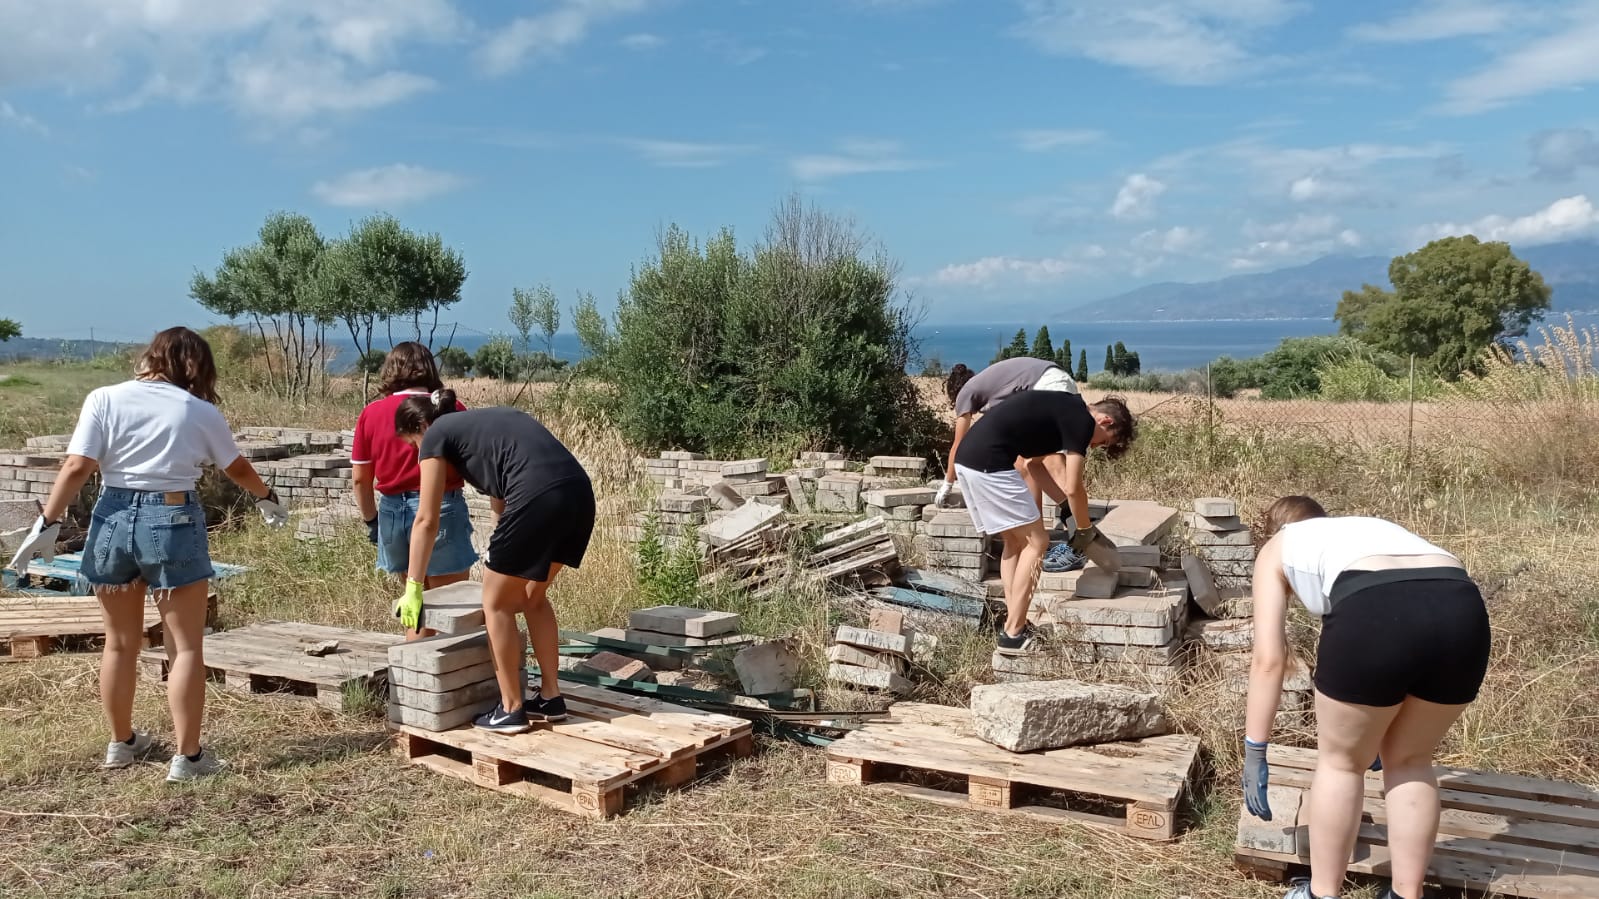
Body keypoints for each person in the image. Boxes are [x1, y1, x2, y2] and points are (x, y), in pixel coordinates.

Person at [6, 327, 289, 781]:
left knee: (118, 642)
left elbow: (79, 465)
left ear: (150, 356)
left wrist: (50, 522)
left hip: (112, 516)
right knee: (186, 647)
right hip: (173, 516)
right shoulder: (198, 409)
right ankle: (188, 757)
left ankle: (121, 743)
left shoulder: (104, 398)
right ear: (196, 365)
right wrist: (265, 496)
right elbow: (234, 466)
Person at [1241, 497, 1491, 899]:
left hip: (1374, 609)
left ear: (1272, 530)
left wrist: (1255, 749)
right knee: (1411, 762)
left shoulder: (1277, 547)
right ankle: (1406, 894)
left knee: (1341, 765)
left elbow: (1268, 661)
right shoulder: (1365, 528)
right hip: (1462, 611)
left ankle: (1322, 893)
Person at [390, 393, 594, 735]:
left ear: (421, 427)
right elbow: (502, 495)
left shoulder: (436, 435)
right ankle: (550, 697)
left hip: (538, 496)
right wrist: (500, 551)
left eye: (413, 446)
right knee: (531, 597)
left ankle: (511, 708)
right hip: (578, 495)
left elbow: (426, 519)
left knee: (495, 603)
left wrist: (413, 586)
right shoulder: (483, 425)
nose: (418, 454)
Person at [951, 389, 1135, 654]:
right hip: (990, 463)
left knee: (1014, 544)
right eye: (1103, 442)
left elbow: (1035, 466)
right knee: (1038, 543)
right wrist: (1084, 529)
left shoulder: (1063, 410)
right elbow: (1074, 487)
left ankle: (1015, 622)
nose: (1095, 446)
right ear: (1105, 421)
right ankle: (1013, 635)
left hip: (969, 461)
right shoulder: (1082, 421)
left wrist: (1065, 509)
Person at [350, 342, 475, 638]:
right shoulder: (451, 408)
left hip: (393, 512)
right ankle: (453, 680)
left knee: (415, 607)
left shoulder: (372, 413)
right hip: (442, 508)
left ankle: (414, 678)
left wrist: (372, 521)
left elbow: (360, 478)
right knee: (453, 608)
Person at [934, 356, 1079, 510]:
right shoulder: (992, 390)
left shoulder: (966, 392)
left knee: (1051, 458)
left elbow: (958, 444)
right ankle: (1044, 523)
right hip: (1059, 381)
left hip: (1047, 385)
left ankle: (1078, 521)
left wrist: (947, 484)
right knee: (1024, 460)